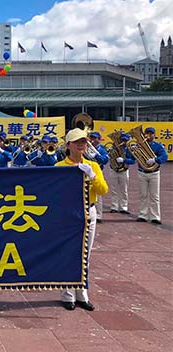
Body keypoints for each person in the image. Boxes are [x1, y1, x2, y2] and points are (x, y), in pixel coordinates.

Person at [56, 128, 108, 311]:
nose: (81, 145)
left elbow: (103, 190)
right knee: (68, 253)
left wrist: (92, 176)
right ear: (68, 145)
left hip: (88, 211)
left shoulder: (93, 166)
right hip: (68, 212)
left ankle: (82, 294)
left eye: (83, 142)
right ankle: (67, 295)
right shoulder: (59, 166)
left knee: (85, 255)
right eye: (77, 142)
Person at [135, 127, 168, 225]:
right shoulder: (139, 145)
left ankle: (155, 217)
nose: (149, 135)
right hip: (142, 172)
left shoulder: (158, 146)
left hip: (154, 173)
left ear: (154, 135)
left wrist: (155, 160)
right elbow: (131, 157)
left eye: (151, 133)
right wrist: (132, 150)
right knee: (143, 195)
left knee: (155, 196)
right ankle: (142, 215)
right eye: (147, 133)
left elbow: (164, 156)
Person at [109, 133, 135, 214]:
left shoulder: (129, 149)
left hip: (124, 170)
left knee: (124, 190)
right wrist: (110, 152)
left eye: (125, 140)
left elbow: (133, 161)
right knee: (114, 190)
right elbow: (109, 157)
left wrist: (124, 160)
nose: (123, 142)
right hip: (114, 170)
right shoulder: (114, 148)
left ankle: (124, 207)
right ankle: (114, 206)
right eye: (122, 140)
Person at [87, 132, 110, 223]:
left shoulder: (102, 149)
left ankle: (98, 215)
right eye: (91, 138)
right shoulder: (86, 148)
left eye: (95, 138)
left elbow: (105, 160)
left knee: (98, 195)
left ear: (99, 139)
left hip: (97, 172)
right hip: (86, 172)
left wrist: (96, 156)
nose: (92, 140)